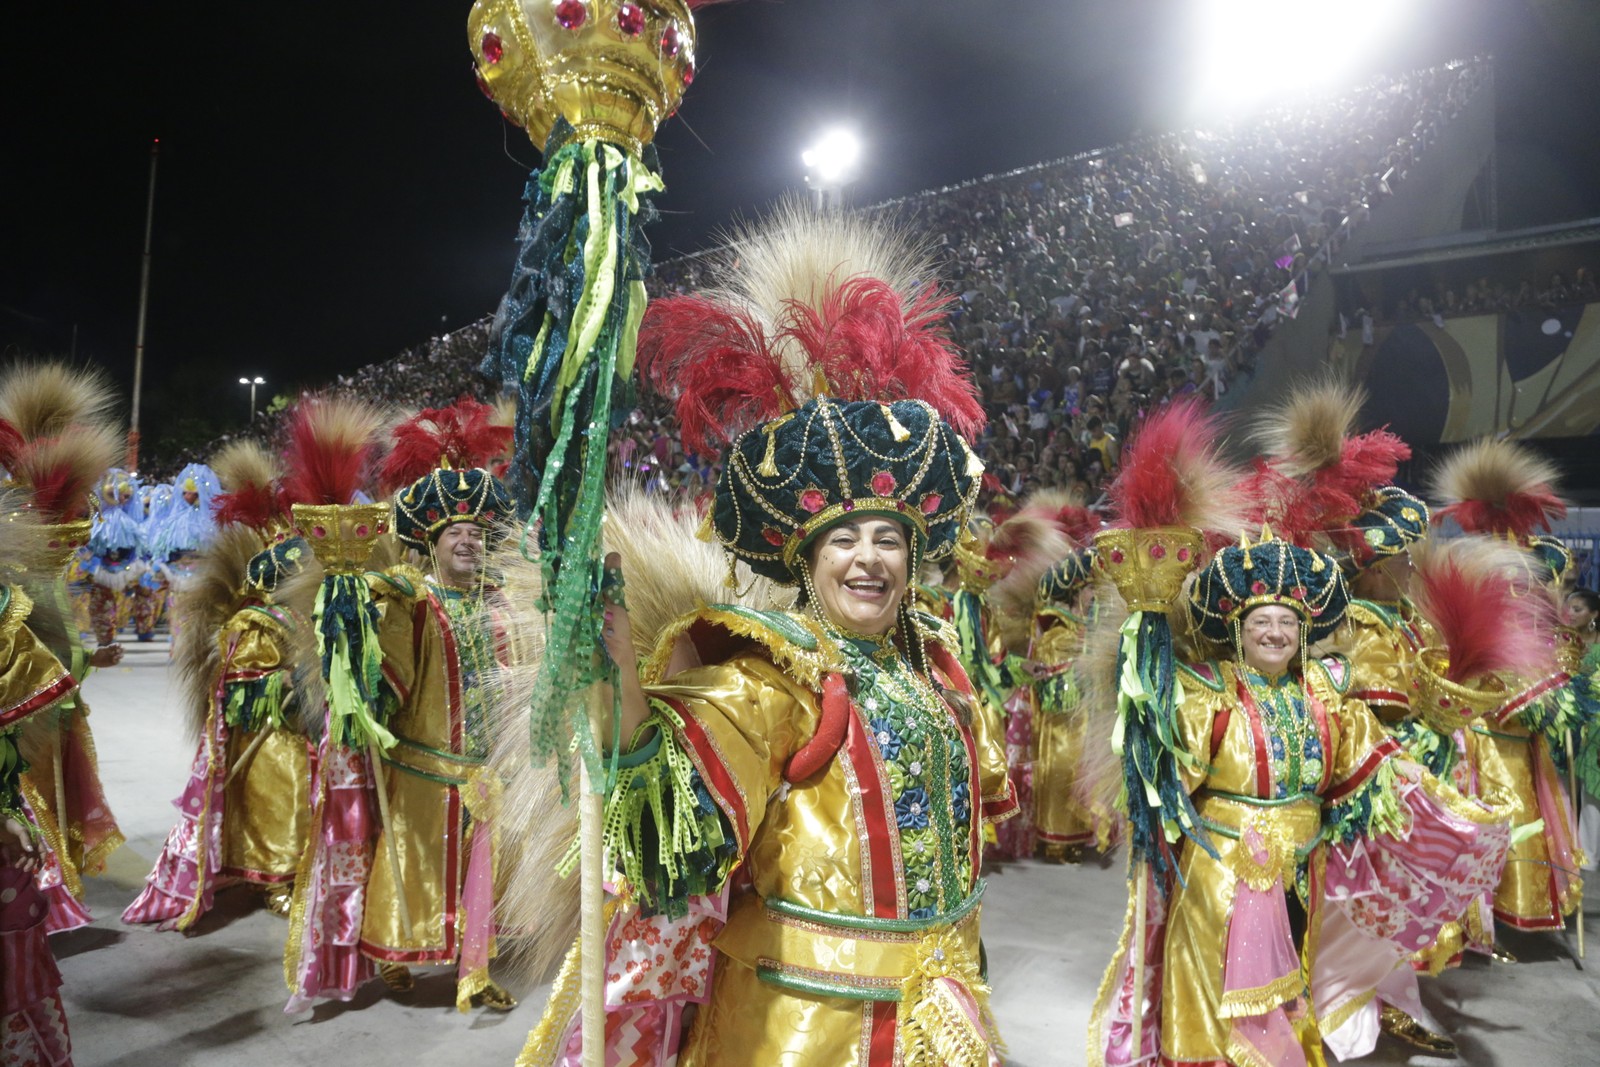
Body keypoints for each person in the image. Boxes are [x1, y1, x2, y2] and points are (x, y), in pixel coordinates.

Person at [515, 208, 1014, 1067]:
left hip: (942, 1015)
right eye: (844, 540)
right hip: (803, 1030)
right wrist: (614, 647)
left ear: (914, 553)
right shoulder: (773, 671)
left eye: (888, 537)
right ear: (808, 558)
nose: (868, 558)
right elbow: (669, 824)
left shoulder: (938, 668)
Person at [1090, 521, 1510, 1066]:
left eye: (1287, 622)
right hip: (1222, 870)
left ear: (1303, 632)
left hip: (1303, 869)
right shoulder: (1208, 690)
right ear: (1238, 630)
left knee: (1293, 981)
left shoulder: (1325, 692)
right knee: (1216, 985)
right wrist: (1146, 656)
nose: (1274, 632)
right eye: (1261, 621)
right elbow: (1162, 770)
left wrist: (1447, 793)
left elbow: (1378, 768)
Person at [285, 397, 517, 1013]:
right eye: (455, 535)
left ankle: (476, 970)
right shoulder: (411, 599)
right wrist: (352, 616)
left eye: (475, 534)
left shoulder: (505, 602)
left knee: (484, 878)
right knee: (411, 871)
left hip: (490, 771)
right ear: (433, 546)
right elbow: (382, 676)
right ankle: (391, 956)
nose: (467, 543)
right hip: (423, 768)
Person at [123, 443, 314, 929]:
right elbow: (240, 683)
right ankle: (275, 879)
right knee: (283, 799)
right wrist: (285, 683)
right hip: (269, 737)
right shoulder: (254, 621)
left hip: (303, 729)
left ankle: (299, 873)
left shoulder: (303, 617)